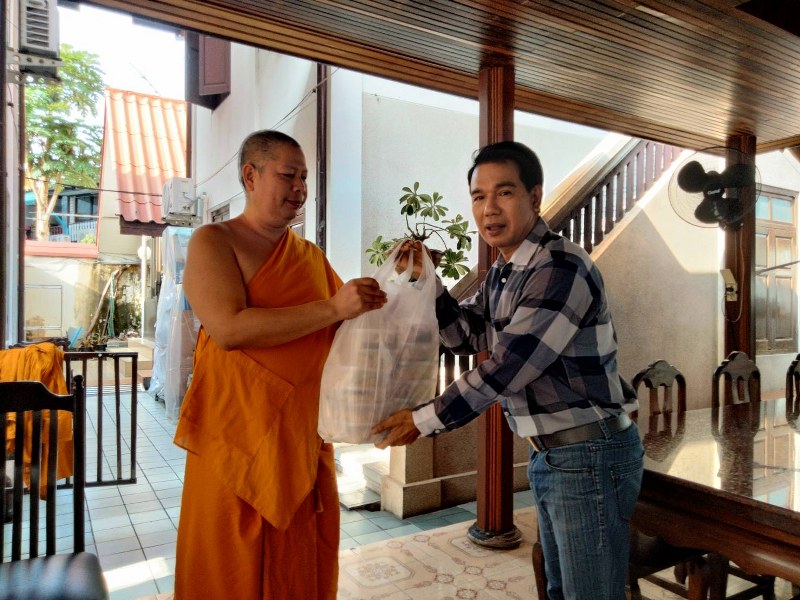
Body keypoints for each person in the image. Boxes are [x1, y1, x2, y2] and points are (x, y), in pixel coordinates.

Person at [372, 140, 643, 600]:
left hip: (588, 454)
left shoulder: (560, 267)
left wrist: (424, 419)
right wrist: (428, 284)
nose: (489, 209)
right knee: (562, 590)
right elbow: (467, 335)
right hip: (554, 454)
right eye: (479, 196)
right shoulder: (505, 271)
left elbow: (508, 367)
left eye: (504, 192)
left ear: (535, 197)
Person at [173, 129, 387, 599]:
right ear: (251, 176)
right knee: (230, 562)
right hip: (235, 435)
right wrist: (333, 307)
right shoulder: (214, 241)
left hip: (298, 436)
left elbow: (343, 331)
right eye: (288, 175)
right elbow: (229, 329)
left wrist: (394, 287)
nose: (300, 188)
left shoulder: (308, 256)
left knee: (298, 564)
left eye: (304, 178)